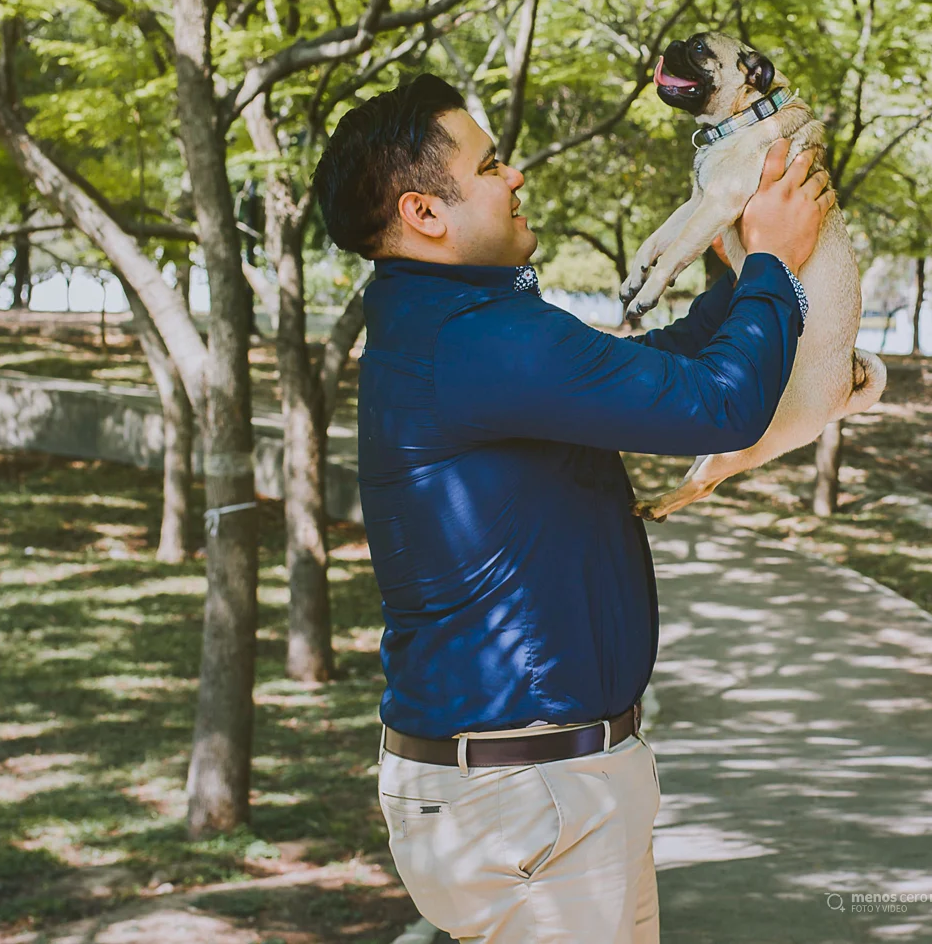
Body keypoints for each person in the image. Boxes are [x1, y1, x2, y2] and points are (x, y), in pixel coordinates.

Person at [310, 72, 831, 944]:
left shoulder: (460, 324)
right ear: (425, 214)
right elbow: (717, 406)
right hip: (530, 799)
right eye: (491, 166)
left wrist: (733, 268)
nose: (516, 177)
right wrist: (772, 266)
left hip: (540, 788)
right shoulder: (477, 339)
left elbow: (652, 373)